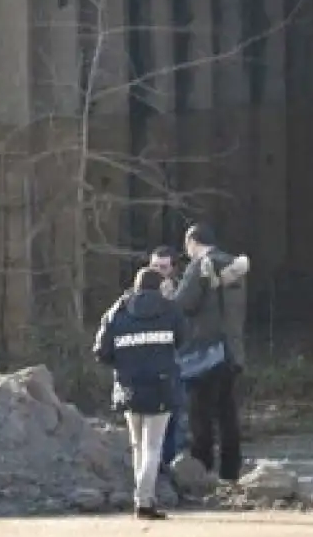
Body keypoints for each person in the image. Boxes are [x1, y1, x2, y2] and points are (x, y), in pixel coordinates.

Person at [93, 266, 186, 520]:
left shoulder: (117, 312)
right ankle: (144, 501)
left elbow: (101, 351)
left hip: (129, 387)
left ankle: (144, 497)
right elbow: (182, 339)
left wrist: (124, 365)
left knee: (137, 447)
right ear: (159, 286)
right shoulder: (170, 310)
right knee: (153, 447)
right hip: (161, 386)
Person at [172, 223, 252, 482]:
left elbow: (183, 304)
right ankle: (231, 470)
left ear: (193, 242)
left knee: (200, 413)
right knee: (228, 413)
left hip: (205, 352)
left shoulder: (200, 266)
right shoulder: (235, 267)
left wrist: (168, 294)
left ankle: (202, 467)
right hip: (232, 350)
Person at [148, 245, 187, 477]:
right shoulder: (134, 295)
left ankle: (170, 466)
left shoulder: (180, 294)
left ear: (172, 269)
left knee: (172, 419)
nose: (158, 271)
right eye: (154, 266)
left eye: (163, 267)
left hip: (174, 364)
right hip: (147, 366)